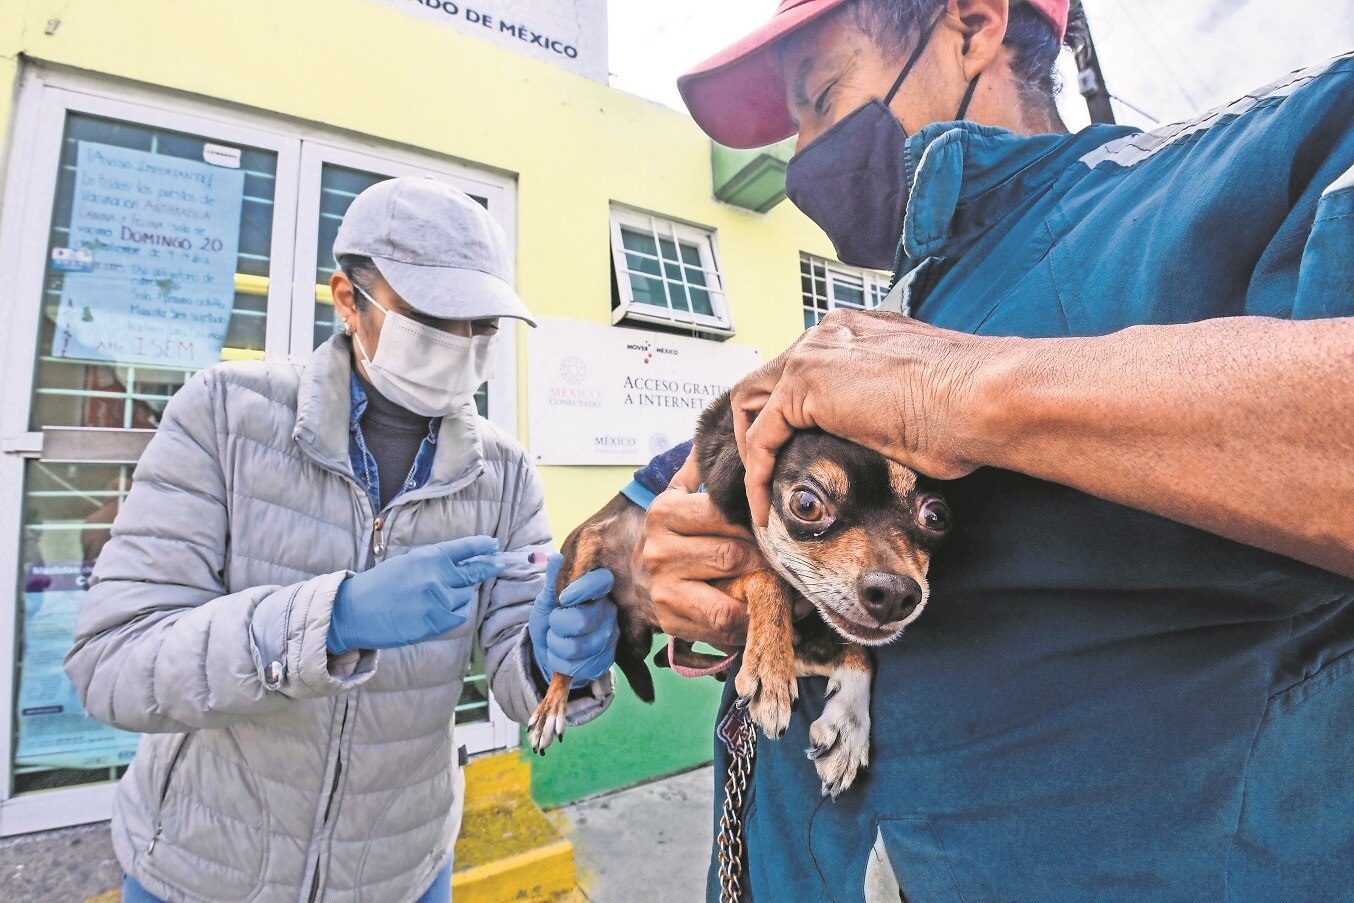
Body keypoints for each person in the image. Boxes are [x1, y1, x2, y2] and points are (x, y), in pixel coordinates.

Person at [629, 1, 1354, 900]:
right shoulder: (871, 328)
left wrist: (968, 391)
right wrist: (699, 577)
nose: (803, 153)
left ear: (972, 25)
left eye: (822, 96)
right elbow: (713, 529)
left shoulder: (1247, 171)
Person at [64, 177, 620, 903]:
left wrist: (554, 659)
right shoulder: (226, 416)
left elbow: (517, 668)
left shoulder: (505, 474)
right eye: (432, 314)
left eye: (481, 323)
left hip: (399, 870)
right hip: (200, 868)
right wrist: (334, 619)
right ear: (348, 300)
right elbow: (112, 662)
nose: (461, 343)